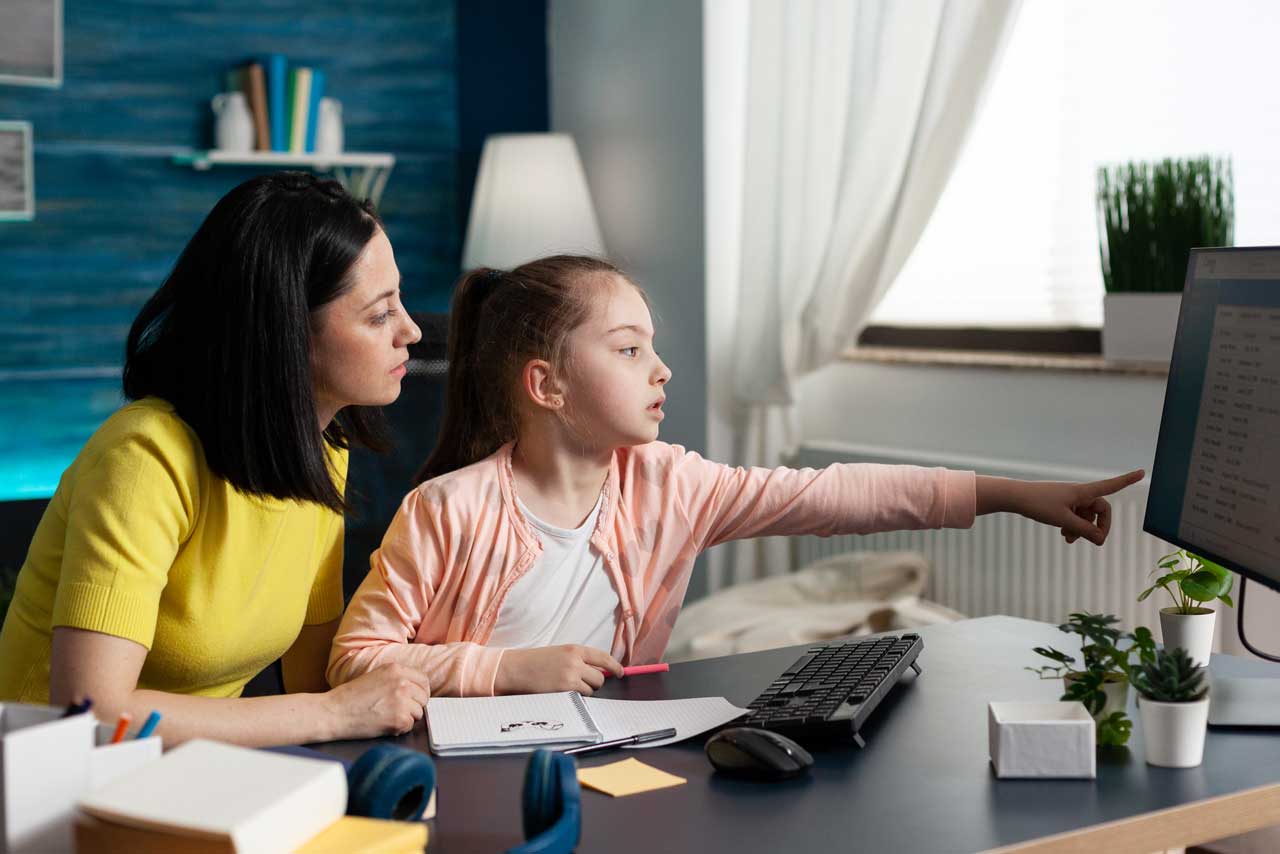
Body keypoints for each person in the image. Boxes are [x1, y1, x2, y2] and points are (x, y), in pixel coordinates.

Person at [326, 255, 1143, 698]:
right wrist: (506, 670)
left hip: (618, 765)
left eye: (651, 346)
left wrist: (1009, 495)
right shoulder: (447, 511)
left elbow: (833, 497)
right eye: (628, 349)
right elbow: (354, 660)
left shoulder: (670, 484)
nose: (662, 370)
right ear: (547, 385)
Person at [0, 173, 432, 746]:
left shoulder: (322, 447)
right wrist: (334, 715)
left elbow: (315, 671)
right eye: (380, 314)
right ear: (286, 332)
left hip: (185, 775)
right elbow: (94, 713)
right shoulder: (145, 459)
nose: (413, 330)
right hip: (47, 789)